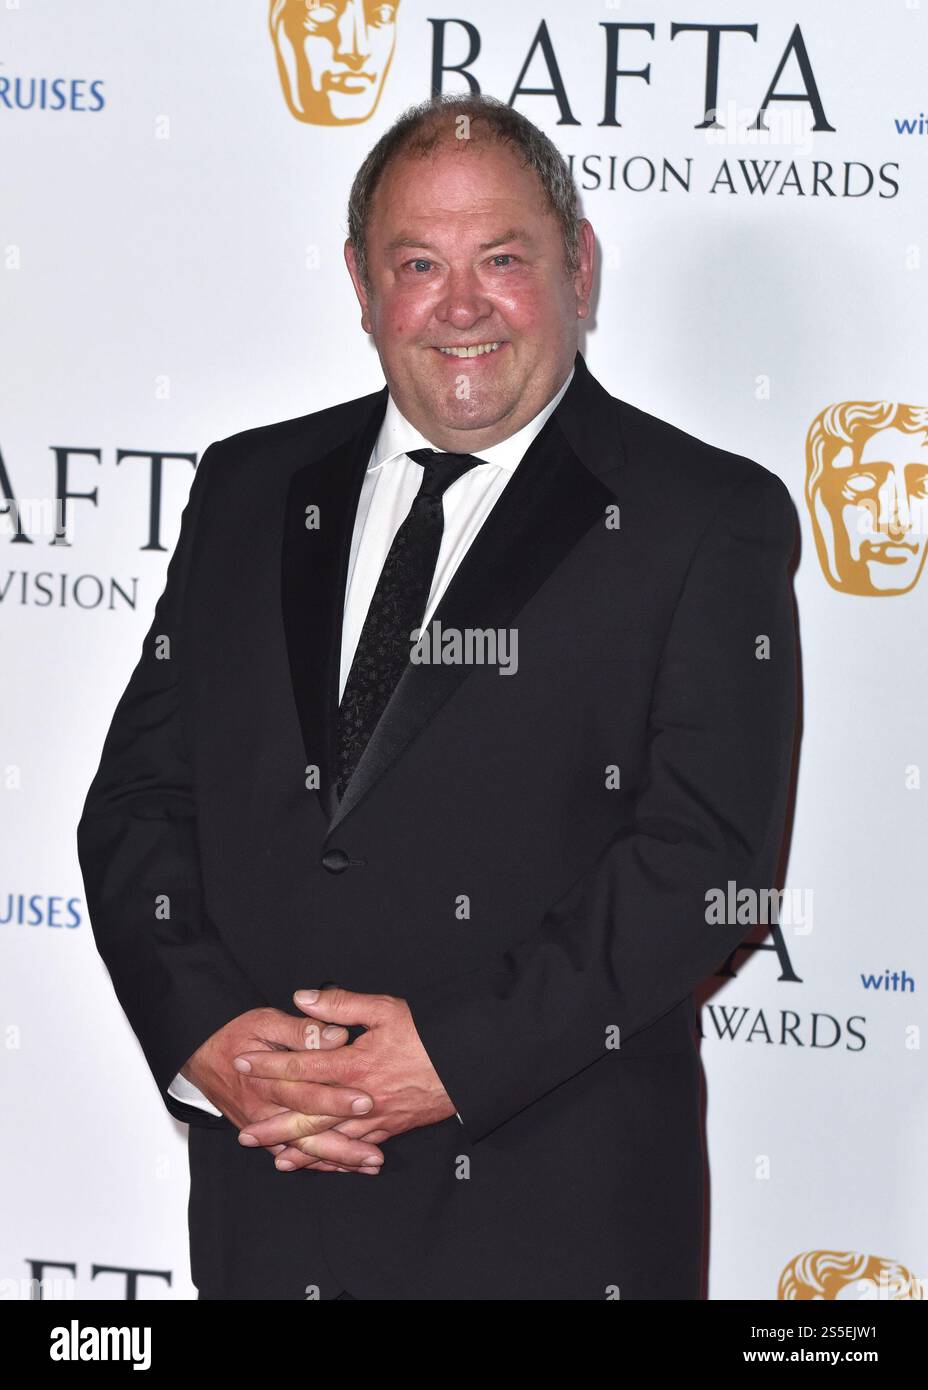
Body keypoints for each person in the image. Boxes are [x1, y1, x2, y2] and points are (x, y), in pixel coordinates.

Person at [77, 93, 799, 1301]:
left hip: (555, 1225)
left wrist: (450, 1061)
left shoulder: (701, 518)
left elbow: (704, 864)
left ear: (578, 265)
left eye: (501, 259)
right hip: (272, 1209)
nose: (460, 306)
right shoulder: (250, 487)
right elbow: (141, 801)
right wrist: (205, 1036)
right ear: (362, 285)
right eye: (419, 263)